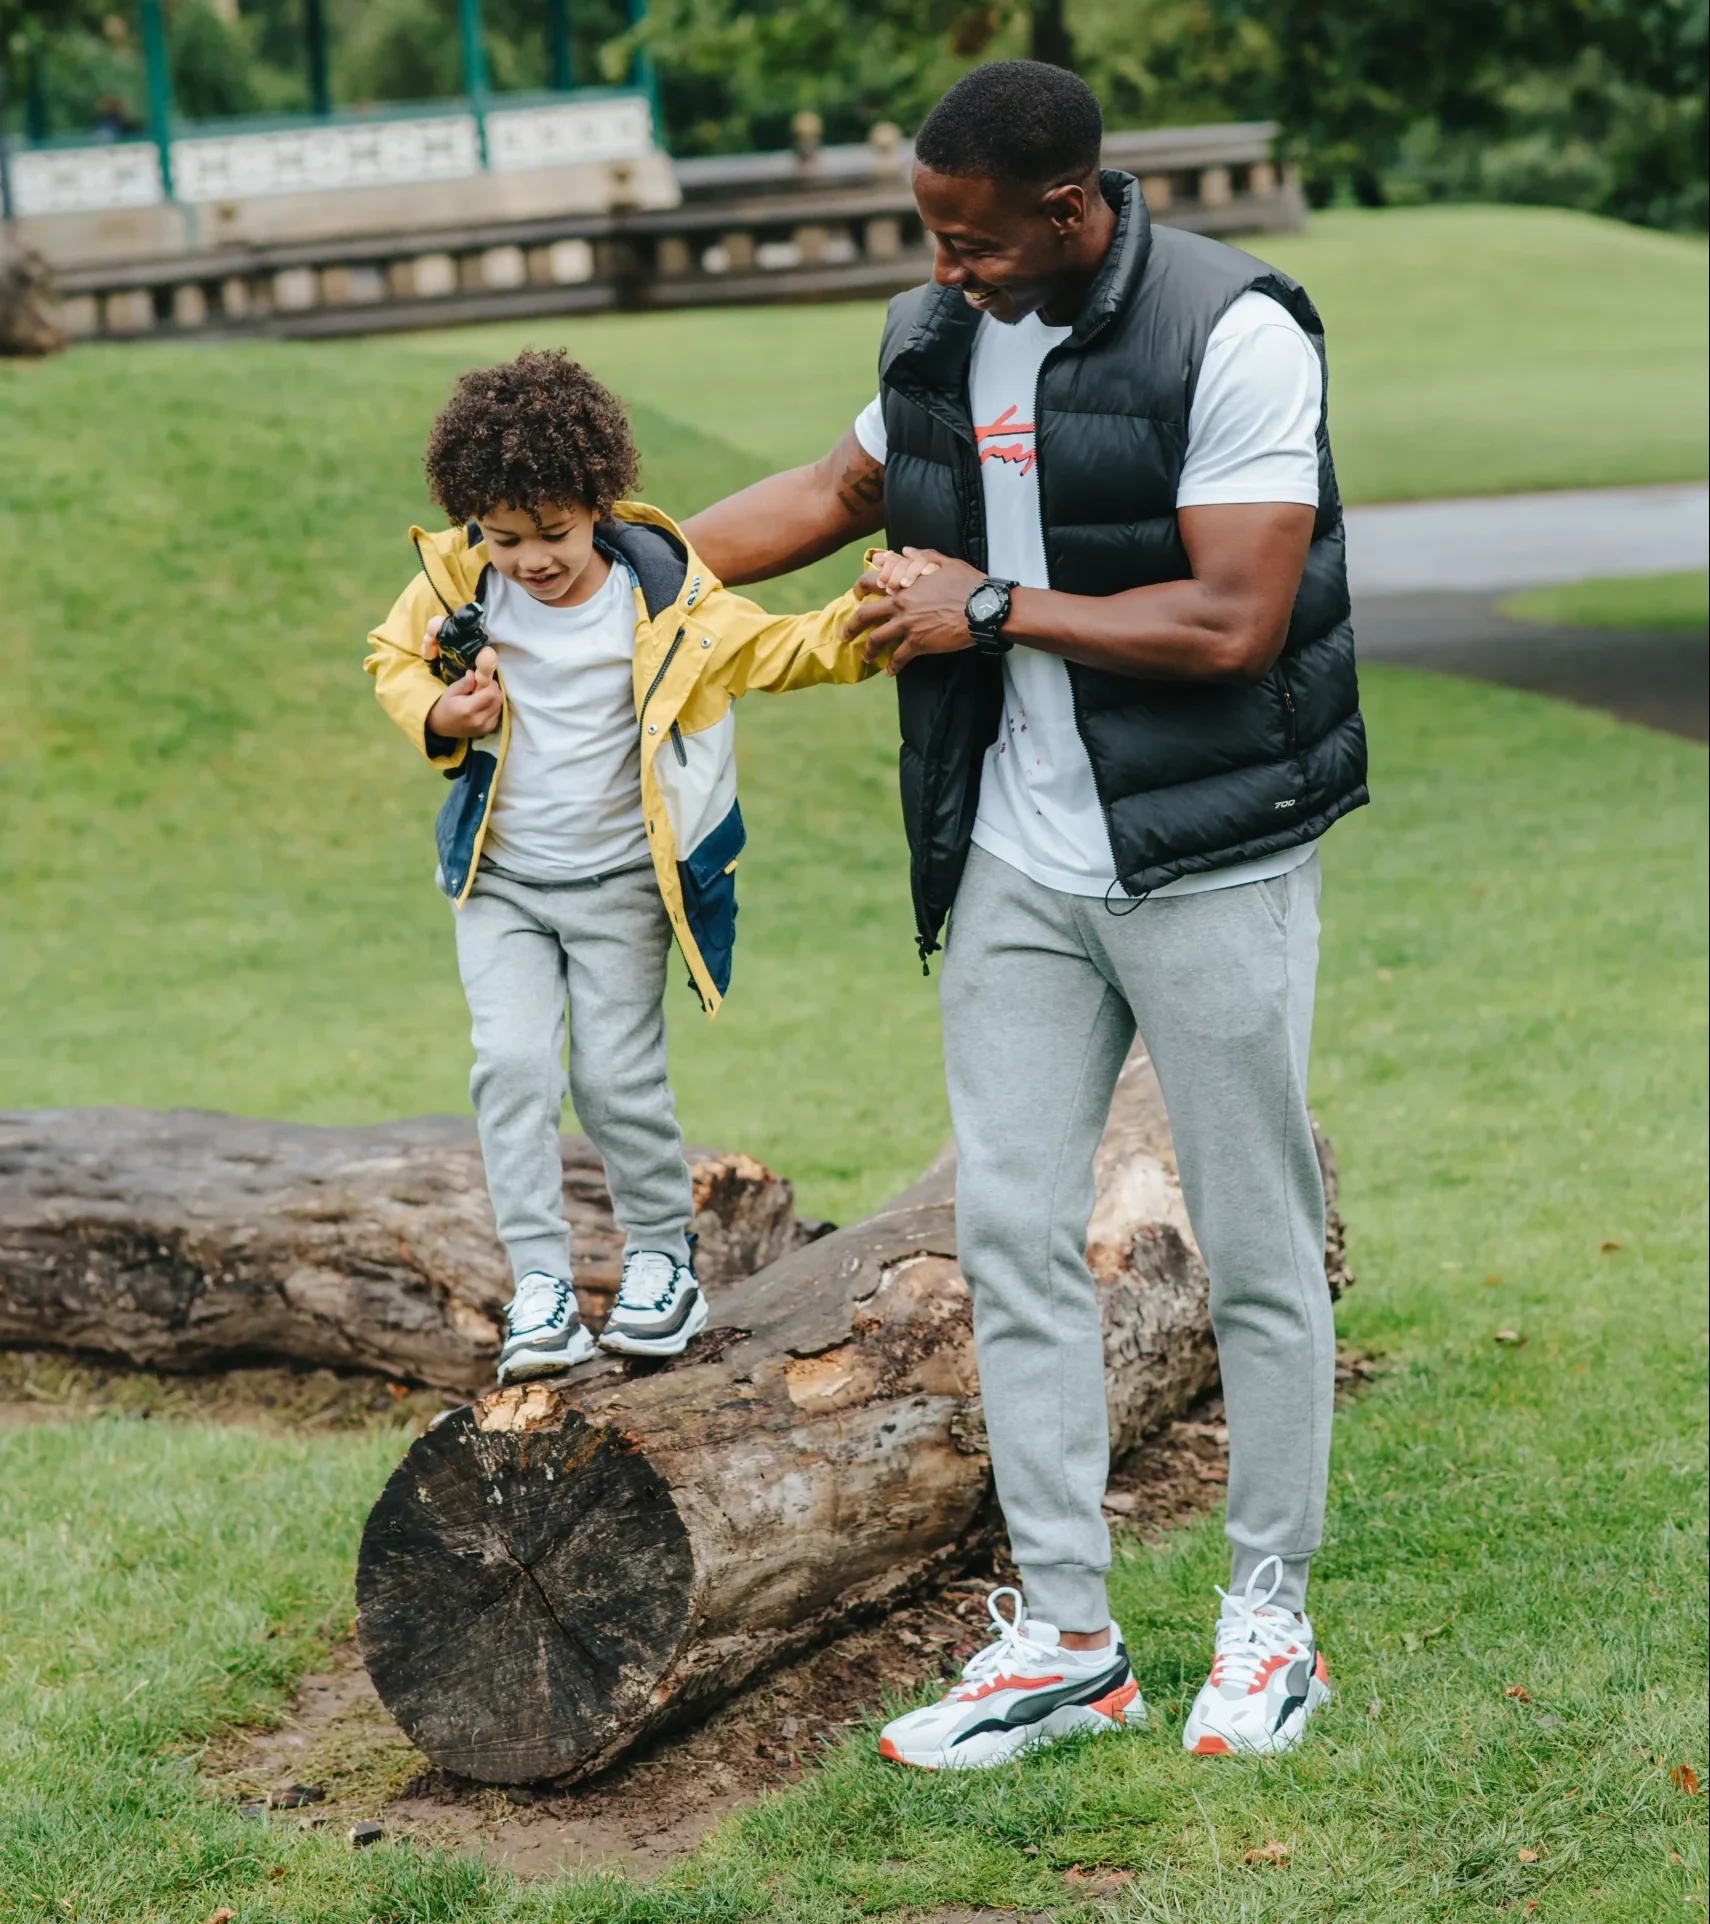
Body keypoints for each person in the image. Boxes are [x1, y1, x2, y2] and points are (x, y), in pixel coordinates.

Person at [681, 61, 1367, 1764]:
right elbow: (829, 499)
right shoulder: (937, 335)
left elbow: (1235, 621)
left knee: (1260, 1247)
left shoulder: (1236, 333)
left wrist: (987, 602)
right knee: (1007, 1234)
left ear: (1069, 211)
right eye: (930, 235)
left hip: (1205, 852)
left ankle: (1269, 1621)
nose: (944, 266)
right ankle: (1069, 1639)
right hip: (1016, 859)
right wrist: (594, 576)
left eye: (970, 240)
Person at [366, 349, 874, 1385]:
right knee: (510, 1069)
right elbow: (391, 657)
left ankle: (659, 1261)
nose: (530, 560)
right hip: (501, 884)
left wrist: (873, 621)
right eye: (504, 539)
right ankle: (541, 1285)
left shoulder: (669, 604)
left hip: (619, 890)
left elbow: (783, 650)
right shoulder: (458, 581)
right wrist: (437, 708)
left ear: (600, 503)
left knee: (614, 1079)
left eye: (551, 534)